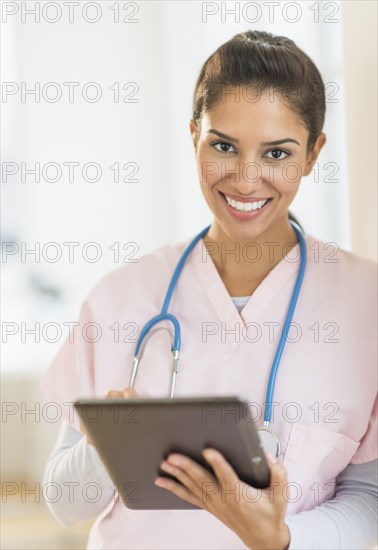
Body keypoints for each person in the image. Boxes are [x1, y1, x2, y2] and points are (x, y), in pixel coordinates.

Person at [42, 30, 377, 549]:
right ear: (193, 133)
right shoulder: (121, 296)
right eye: (223, 145)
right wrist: (109, 446)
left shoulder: (366, 304)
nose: (246, 179)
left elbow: (370, 501)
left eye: (277, 153)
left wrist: (283, 538)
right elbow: (63, 502)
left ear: (313, 153)